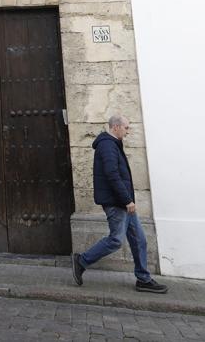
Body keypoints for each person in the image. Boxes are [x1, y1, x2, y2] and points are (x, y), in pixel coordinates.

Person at [72, 115, 168, 293]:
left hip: (123, 203)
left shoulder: (113, 144)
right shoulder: (107, 145)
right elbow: (112, 175)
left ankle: (143, 279)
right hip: (117, 203)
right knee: (116, 240)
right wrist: (127, 200)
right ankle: (82, 261)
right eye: (126, 127)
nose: (128, 131)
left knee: (139, 239)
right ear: (116, 127)